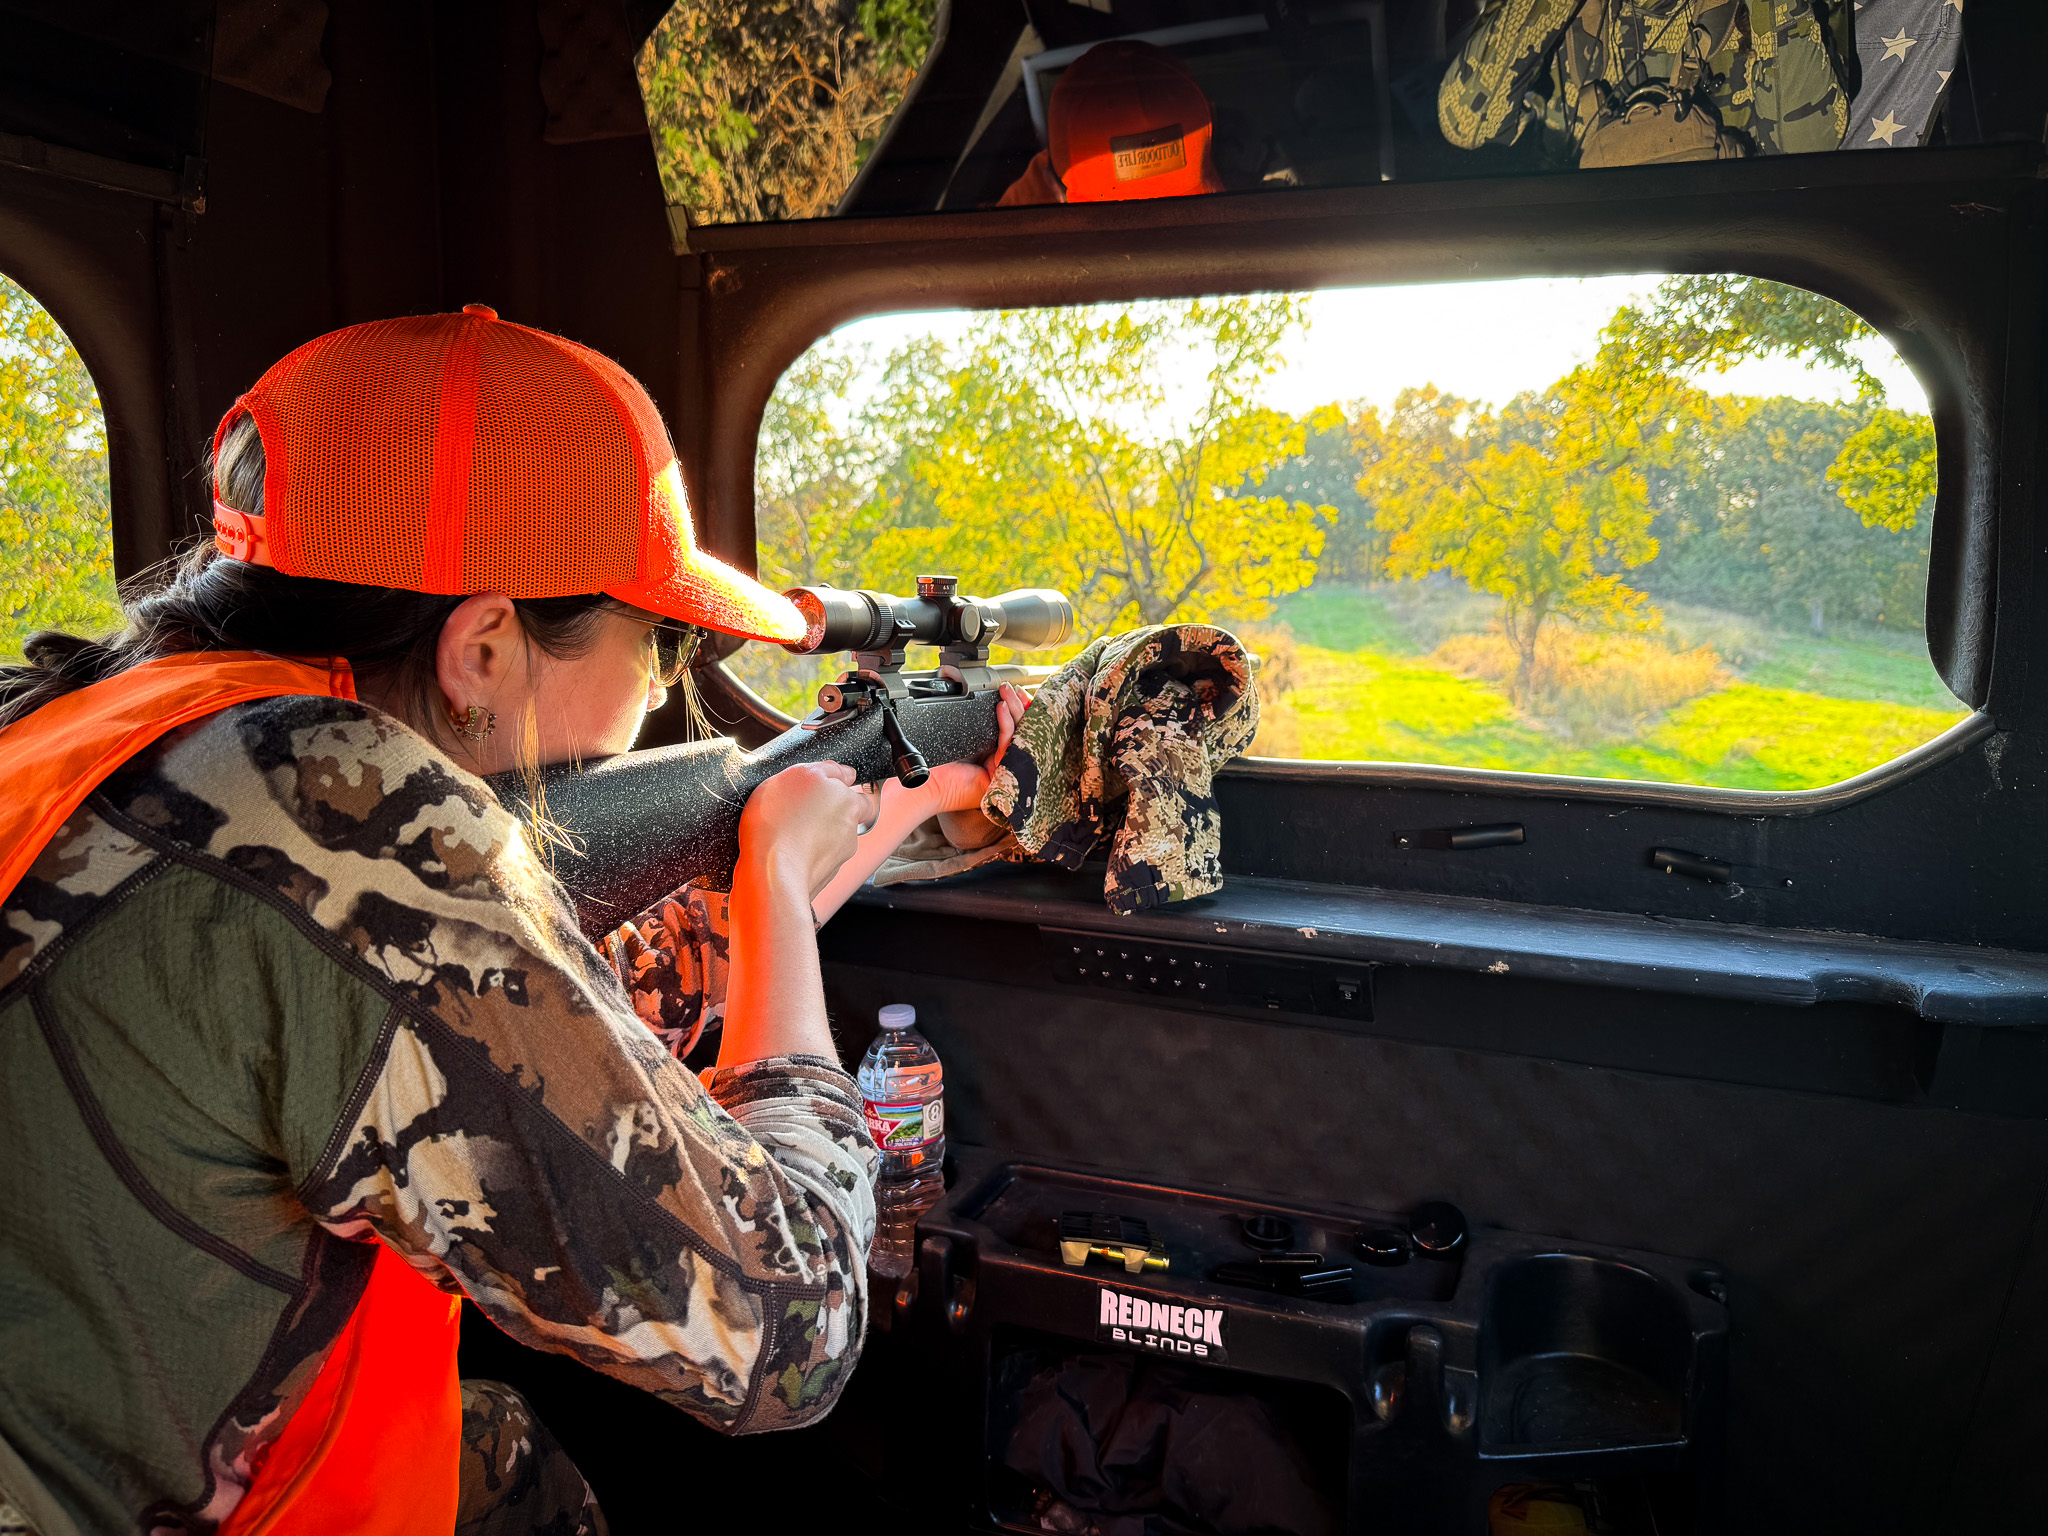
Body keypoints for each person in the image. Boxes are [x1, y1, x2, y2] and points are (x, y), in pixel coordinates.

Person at [0, 306, 1022, 1536]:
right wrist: (777, 907)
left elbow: (510, 979)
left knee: (504, 1444)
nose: (662, 694)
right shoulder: (355, 817)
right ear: (482, 647)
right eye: (663, 646)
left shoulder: (82, 711)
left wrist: (873, 810)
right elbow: (787, 1333)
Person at [998, 40, 1228, 207]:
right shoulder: (1017, 235)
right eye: (1124, 218)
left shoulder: (1242, 156)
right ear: (1058, 188)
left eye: (1187, 209)